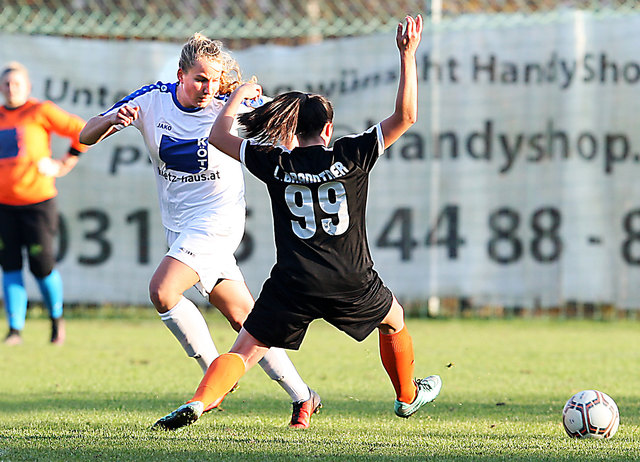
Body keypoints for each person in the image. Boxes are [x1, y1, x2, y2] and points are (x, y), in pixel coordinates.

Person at [153, 14, 441, 432]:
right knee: (394, 319)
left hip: (294, 283)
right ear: (328, 129)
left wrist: (235, 99)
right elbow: (407, 116)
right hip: (352, 280)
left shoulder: (277, 162)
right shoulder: (352, 154)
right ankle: (407, 397)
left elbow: (217, 138)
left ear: (293, 128)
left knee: (247, 346)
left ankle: (201, 401)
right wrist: (407, 55)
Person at [79, 33, 321, 428]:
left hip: (219, 220)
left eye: (214, 80)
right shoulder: (151, 98)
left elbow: (287, 125)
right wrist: (110, 121)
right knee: (247, 319)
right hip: (179, 226)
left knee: (162, 290)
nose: (208, 89)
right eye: (199, 80)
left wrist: (288, 138)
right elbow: (84, 135)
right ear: (180, 75)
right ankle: (303, 395)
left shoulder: (232, 105)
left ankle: (214, 380)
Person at [0, 61, 88, 346]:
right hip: (4, 206)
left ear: (28, 87)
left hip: (37, 203)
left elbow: (82, 131)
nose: (11, 89)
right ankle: (14, 330)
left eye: (17, 84)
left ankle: (56, 322)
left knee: (42, 265)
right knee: (10, 265)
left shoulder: (39, 111)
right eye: (6, 84)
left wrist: (65, 162)